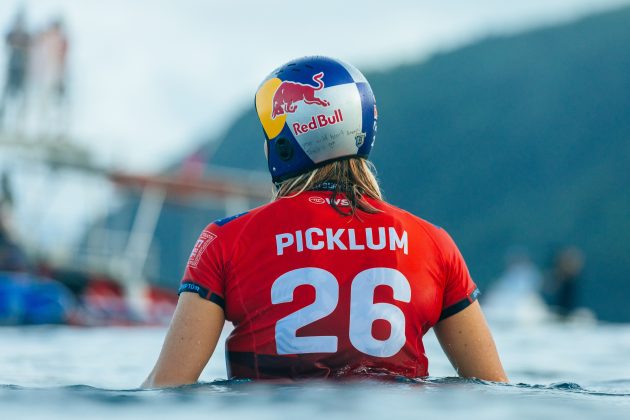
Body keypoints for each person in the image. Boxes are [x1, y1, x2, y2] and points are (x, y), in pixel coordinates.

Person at [143, 56, 507, 387]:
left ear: (285, 145)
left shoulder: (226, 240)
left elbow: (165, 389)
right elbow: (493, 391)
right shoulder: (434, 242)